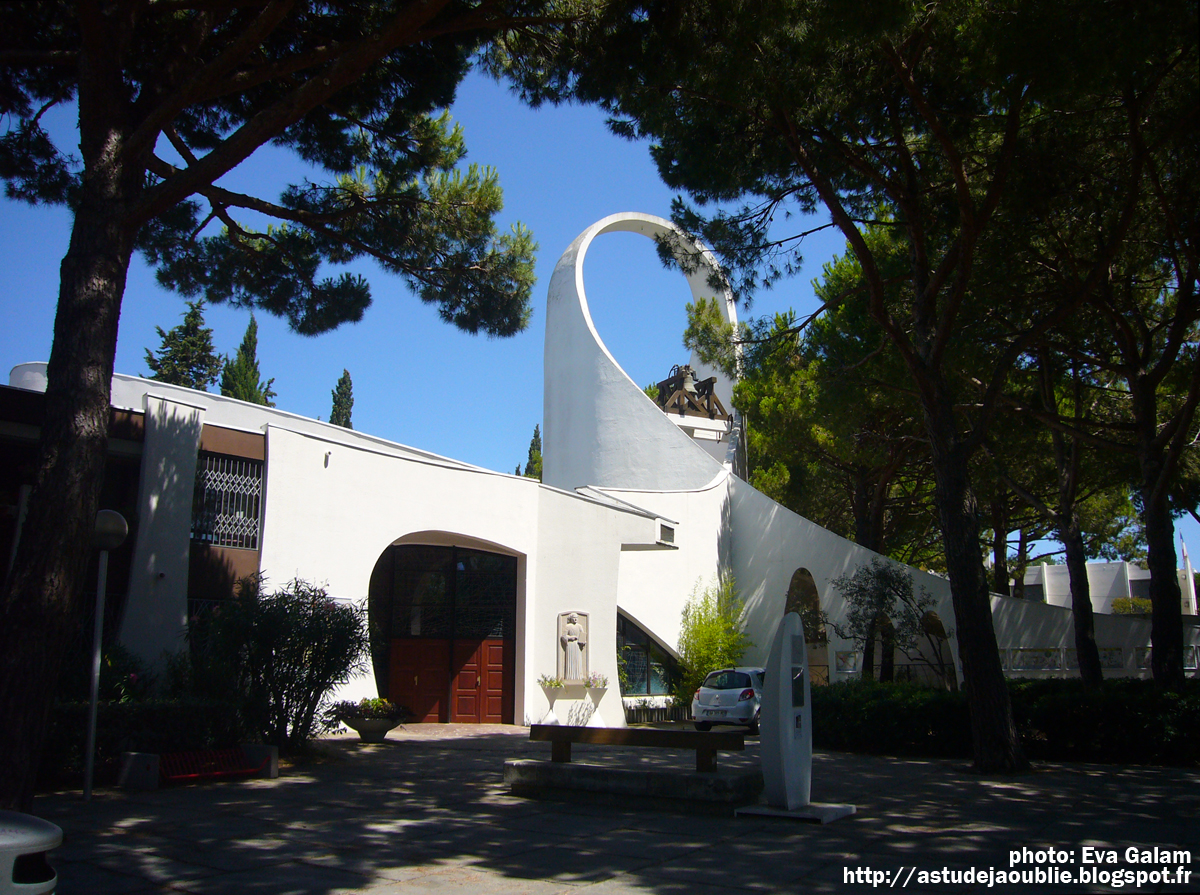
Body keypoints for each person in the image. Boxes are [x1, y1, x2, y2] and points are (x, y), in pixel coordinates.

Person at [561, 613, 586, 680]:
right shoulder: (568, 626)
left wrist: (583, 641)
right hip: (570, 645)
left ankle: (578, 676)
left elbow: (583, 635)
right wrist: (570, 638)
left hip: (577, 645)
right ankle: (570, 676)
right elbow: (563, 636)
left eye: (576, 618)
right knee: (570, 660)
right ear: (571, 619)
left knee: (577, 660)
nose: (575, 619)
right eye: (574, 618)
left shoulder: (579, 626)